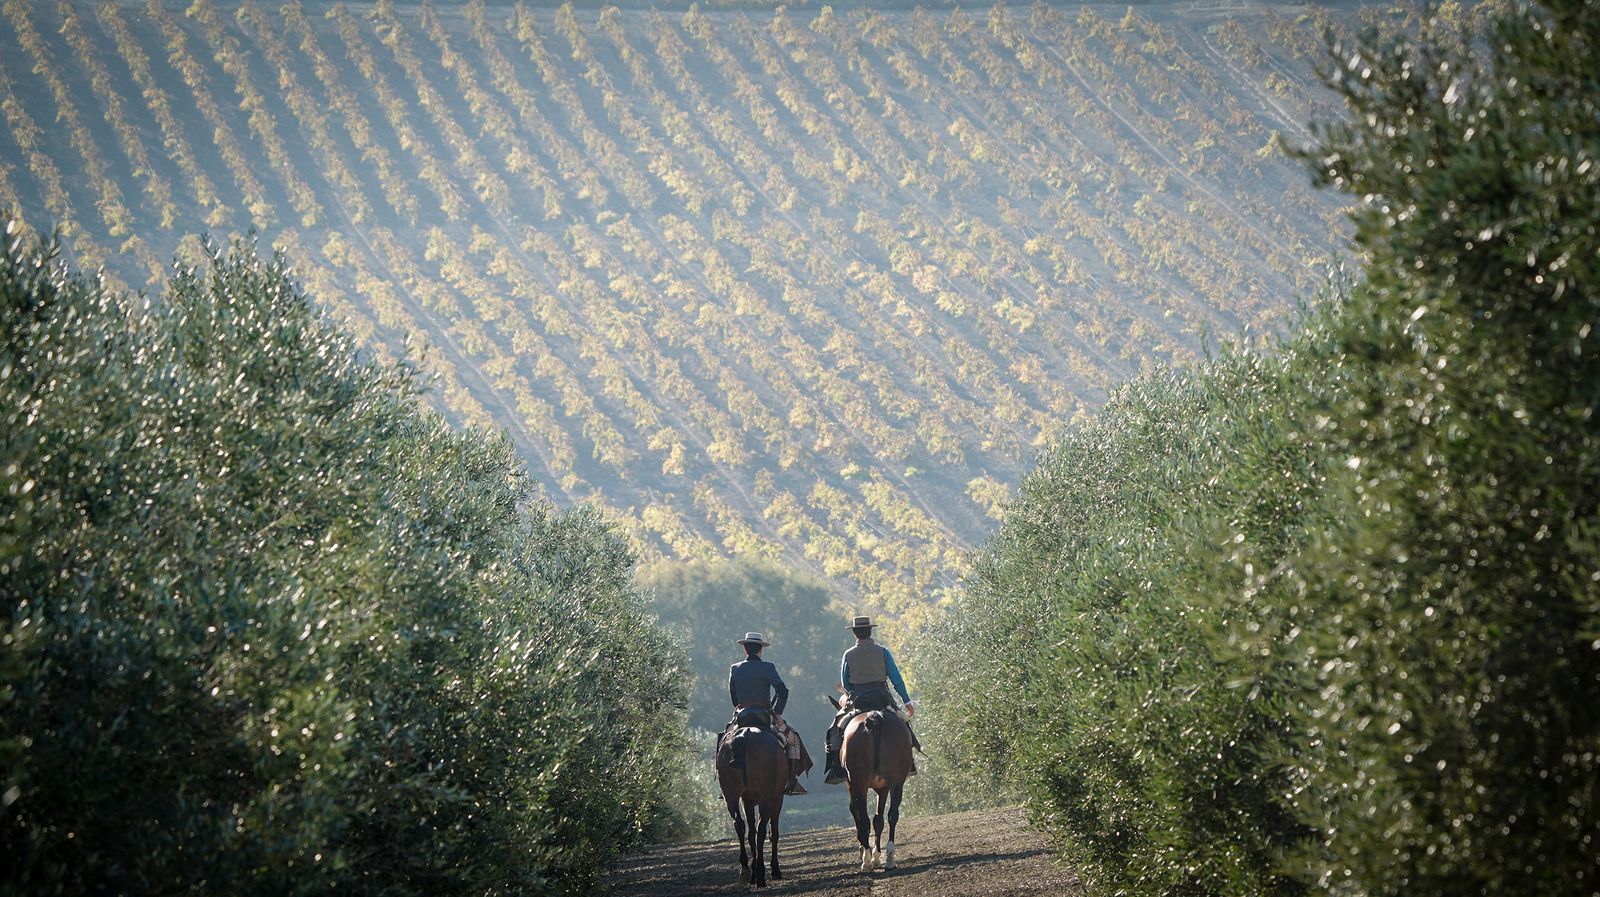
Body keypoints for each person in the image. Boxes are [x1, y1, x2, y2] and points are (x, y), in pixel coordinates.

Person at [822, 615, 916, 784]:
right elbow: (896, 679)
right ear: (870, 631)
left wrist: (853, 691)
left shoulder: (848, 654)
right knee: (904, 726)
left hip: (858, 699)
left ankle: (836, 768)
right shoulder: (883, 652)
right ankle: (909, 764)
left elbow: (845, 682)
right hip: (882, 698)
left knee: (834, 730)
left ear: (854, 634)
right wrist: (907, 701)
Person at [727, 631, 807, 795]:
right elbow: (782, 691)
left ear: (745, 650)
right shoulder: (768, 667)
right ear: (760, 650)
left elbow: (733, 697)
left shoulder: (734, 669)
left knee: (723, 739)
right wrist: (776, 712)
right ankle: (791, 781)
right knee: (792, 738)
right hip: (763, 714)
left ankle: (725, 782)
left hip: (742, 715)